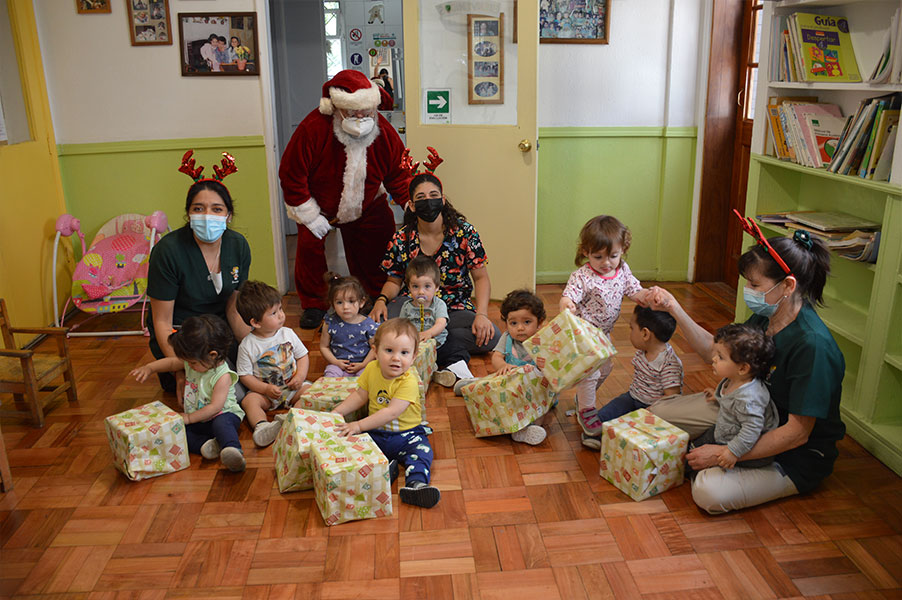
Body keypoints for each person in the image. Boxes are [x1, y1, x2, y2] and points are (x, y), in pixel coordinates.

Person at [645, 226, 844, 514]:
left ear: (787, 286)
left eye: (755, 285)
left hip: (794, 454)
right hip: (747, 410)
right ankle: (710, 449)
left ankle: (715, 457)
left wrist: (725, 454)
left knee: (708, 492)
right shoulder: (768, 317)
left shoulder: (812, 347)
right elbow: (716, 352)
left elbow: (797, 433)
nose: (748, 292)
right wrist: (673, 307)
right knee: (658, 414)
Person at [279, 69, 410, 329]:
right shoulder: (313, 128)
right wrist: (310, 215)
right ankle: (314, 304)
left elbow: (398, 173)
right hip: (319, 205)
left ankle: (375, 294)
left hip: (368, 202)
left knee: (381, 237)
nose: (361, 118)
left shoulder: (384, 132)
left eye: (366, 111)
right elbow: (292, 174)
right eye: (353, 112)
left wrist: (411, 205)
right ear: (336, 109)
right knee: (309, 248)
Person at [372, 171, 502, 387]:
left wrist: (482, 314)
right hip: (413, 305)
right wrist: (380, 300)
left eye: (433, 196)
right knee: (380, 328)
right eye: (421, 198)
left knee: (492, 337)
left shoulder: (465, 232)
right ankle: (436, 348)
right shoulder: (402, 237)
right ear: (412, 206)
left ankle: (418, 347)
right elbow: (394, 280)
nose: (428, 202)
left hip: (455, 306)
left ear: (442, 200)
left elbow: (481, 278)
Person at [147, 152, 251, 397]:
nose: (207, 215)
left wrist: (254, 347)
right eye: (198, 208)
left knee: (249, 383)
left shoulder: (238, 245)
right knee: (227, 395)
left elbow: (234, 308)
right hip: (182, 339)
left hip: (221, 334)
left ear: (228, 216)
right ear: (189, 214)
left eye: (216, 209)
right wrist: (182, 368)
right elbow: (161, 322)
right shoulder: (168, 251)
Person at [331, 319, 440, 508]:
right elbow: (359, 396)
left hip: (408, 435)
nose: (396, 358)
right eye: (389, 351)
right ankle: (383, 470)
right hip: (376, 433)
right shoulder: (371, 369)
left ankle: (416, 484)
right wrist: (336, 412)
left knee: (422, 454)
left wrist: (357, 425)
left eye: (404, 353)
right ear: (375, 351)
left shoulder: (409, 381)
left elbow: (391, 412)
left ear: (413, 357)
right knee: (357, 449)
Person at [560, 215, 649, 447]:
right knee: (591, 372)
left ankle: (583, 398)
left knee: (607, 366)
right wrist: (566, 304)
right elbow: (569, 295)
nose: (606, 263)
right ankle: (588, 410)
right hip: (585, 334)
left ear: (622, 251)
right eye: (598, 257)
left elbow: (634, 290)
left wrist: (647, 297)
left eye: (613, 256)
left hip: (604, 333)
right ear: (586, 252)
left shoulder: (622, 270)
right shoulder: (582, 276)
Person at [130, 315, 246, 472]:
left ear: (212, 355)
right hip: (199, 418)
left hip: (223, 414)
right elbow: (171, 362)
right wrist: (150, 368)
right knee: (177, 430)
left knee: (221, 425)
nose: (188, 366)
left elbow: (215, 407)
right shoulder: (196, 361)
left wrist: (190, 418)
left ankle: (232, 450)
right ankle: (206, 446)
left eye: (192, 363)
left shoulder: (222, 375)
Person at [586, 305, 682, 447]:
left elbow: (672, 398)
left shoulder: (669, 363)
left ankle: (608, 439)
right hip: (632, 398)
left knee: (634, 430)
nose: (629, 332)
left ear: (645, 334)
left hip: (652, 409)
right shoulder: (643, 351)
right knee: (604, 414)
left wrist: (650, 412)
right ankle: (596, 434)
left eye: (632, 328)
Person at [691, 323, 779, 470]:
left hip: (743, 447)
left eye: (720, 357)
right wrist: (719, 397)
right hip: (726, 430)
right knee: (694, 447)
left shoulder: (748, 399)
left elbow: (751, 430)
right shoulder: (736, 379)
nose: (714, 359)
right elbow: (732, 402)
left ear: (743, 368)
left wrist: (732, 451)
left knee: (699, 464)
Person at [234, 280, 311, 448]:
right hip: (266, 394)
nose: (281, 315)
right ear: (255, 322)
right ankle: (262, 427)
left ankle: (293, 418)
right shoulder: (248, 345)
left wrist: (300, 376)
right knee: (249, 401)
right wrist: (264, 389)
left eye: (281, 309)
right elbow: (244, 375)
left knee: (311, 392)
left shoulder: (287, 333)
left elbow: (303, 356)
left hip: (292, 388)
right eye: (274, 313)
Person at [486, 288, 549, 446]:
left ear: (539, 322)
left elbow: (552, 365)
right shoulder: (507, 338)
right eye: (513, 323)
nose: (520, 328)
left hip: (536, 391)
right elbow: (496, 356)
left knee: (540, 408)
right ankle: (468, 385)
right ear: (506, 323)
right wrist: (503, 365)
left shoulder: (542, 341)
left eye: (527, 322)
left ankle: (530, 428)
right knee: (496, 396)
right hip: (512, 388)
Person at [320, 275, 378, 378]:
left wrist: (363, 364)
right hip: (337, 365)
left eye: (351, 301)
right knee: (330, 376)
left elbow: (375, 348)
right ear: (332, 304)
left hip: (363, 365)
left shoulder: (369, 325)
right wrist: (335, 362)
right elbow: (324, 346)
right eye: (339, 302)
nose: (345, 307)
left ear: (361, 302)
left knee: (366, 379)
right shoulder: (330, 322)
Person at [398, 255, 449, 359]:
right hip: (414, 345)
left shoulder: (439, 304)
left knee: (455, 350)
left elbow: (441, 323)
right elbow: (401, 326)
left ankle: (451, 370)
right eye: (415, 286)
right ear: (409, 287)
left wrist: (429, 333)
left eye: (427, 286)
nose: (421, 292)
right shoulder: (407, 306)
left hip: (438, 344)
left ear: (436, 287)